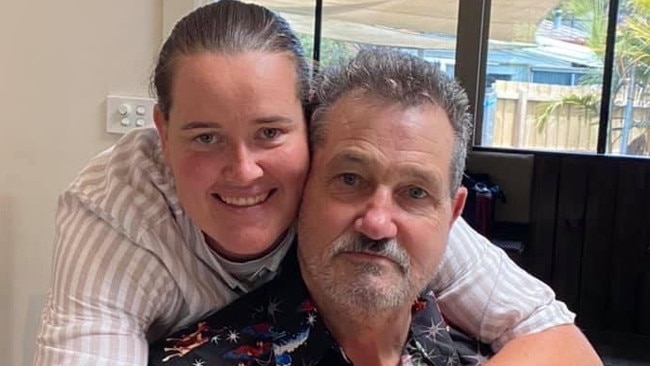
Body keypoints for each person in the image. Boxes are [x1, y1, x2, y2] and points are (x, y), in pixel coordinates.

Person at [33, 1, 600, 365]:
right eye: (205, 137)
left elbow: (547, 329)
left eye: (271, 132)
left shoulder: (368, 195)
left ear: (309, 126)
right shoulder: (114, 215)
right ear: (161, 131)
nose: (245, 171)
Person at [147, 47, 494, 366]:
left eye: (415, 193)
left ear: (451, 214)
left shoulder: (500, 351)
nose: (377, 223)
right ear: (303, 185)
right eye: (350, 179)